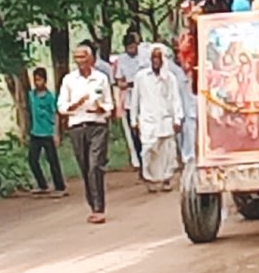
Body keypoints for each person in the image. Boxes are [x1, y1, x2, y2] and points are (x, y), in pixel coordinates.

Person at [58, 45, 113, 224]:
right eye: (77, 58)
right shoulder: (69, 80)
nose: (80, 61)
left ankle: (99, 208)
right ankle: (92, 204)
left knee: (95, 165)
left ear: (90, 59)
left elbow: (109, 105)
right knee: (84, 166)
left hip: (97, 125)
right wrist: (75, 104)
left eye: (83, 57)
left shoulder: (101, 78)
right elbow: (61, 107)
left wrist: (100, 108)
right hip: (77, 126)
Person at [131, 46, 184, 192]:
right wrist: (133, 120)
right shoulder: (141, 77)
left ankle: (167, 178)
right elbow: (135, 99)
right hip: (148, 120)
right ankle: (150, 178)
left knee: (168, 151)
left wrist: (177, 119)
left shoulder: (170, 78)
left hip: (166, 119)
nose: (156, 61)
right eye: (153, 58)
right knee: (148, 150)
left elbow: (175, 99)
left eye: (158, 58)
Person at [28, 67, 67, 197]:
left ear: (44, 80)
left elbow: (56, 114)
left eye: (39, 80)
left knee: (52, 160)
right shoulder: (31, 95)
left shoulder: (50, 97)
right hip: (35, 132)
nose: (37, 83)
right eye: (35, 80)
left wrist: (56, 133)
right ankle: (42, 184)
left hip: (48, 132)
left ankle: (60, 186)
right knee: (32, 160)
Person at [117, 32, 144, 170]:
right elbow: (119, 81)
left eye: (133, 47)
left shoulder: (144, 58)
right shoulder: (121, 60)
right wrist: (127, 84)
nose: (131, 51)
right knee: (134, 132)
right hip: (130, 100)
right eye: (129, 48)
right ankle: (138, 160)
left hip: (145, 100)